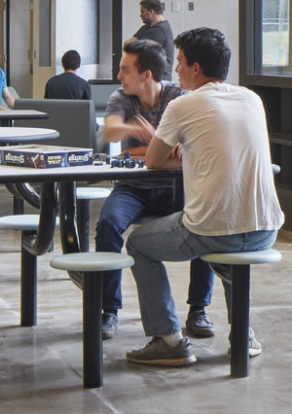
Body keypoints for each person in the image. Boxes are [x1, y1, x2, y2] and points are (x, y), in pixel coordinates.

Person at [123, 27, 283, 367]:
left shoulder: (183, 104)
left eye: (179, 62)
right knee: (227, 243)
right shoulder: (251, 98)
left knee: (138, 243)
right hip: (267, 228)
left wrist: (182, 151)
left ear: (196, 68)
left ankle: (168, 340)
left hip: (210, 230)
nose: (175, 70)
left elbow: (152, 160)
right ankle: (244, 333)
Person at [89, 39, 214, 341]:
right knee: (108, 225)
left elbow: (186, 149)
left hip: (177, 187)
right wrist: (141, 133)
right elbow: (109, 130)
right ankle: (109, 309)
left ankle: (198, 309)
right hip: (133, 187)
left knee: (206, 222)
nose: (119, 76)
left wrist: (139, 152)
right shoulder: (121, 97)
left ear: (147, 74)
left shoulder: (179, 97)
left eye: (125, 70)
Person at [130, 0, 175, 77]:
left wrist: (135, 45)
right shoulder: (146, 27)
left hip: (158, 79)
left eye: (142, 12)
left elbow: (139, 52)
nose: (140, 15)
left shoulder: (159, 30)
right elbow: (128, 45)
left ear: (151, 12)